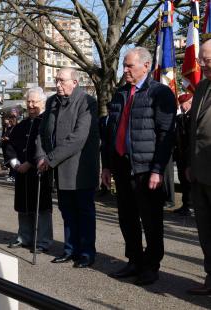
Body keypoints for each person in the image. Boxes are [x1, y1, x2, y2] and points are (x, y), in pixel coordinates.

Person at [101, 47, 176, 285]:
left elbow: (166, 134)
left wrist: (157, 169)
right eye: (124, 65)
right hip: (122, 167)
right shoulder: (120, 93)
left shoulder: (160, 93)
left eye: (129, 66)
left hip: (146, 170)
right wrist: (106, 165)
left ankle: (151, 266)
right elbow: (110, 131)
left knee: (151, 221)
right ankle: (133, 260)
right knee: (127, 218)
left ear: (145, 66)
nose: (124, 70)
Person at [37, 67, 100, 268]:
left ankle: (87, 252)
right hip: (59, 169)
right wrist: (40, 156)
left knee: (84, 212)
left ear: (75, 82)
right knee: (67, 211)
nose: (57, 84)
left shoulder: (87, 102)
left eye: (62, 81)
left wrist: (50, 159)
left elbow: (78, 138)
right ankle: (70, 249)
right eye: (56, 80)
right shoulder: (52, 102)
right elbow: (42, 133)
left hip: (80, 169)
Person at [4, 87, 53, 253]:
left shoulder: (47, 122)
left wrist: (30, 163)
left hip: (39, 170)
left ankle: (43, 240)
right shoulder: (22, 125)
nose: (31, 105)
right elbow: (10, 146)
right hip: (21, 171)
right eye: (29, 101)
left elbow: (47, 147)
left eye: (34, 102)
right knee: (23, 206)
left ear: (43, 103)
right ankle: (24, 236)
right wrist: (15, 163)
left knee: (41, 207)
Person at [185, 39, 211, 295]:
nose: (201, 64)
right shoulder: (202, 87)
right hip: (200, 172)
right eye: (201, 59)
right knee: (205, 231)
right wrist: (190, 164)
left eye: (207, 60)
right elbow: (194, 130)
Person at [173, 93, 193, 216]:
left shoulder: (193, 117)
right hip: (181, 155)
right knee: (183, 180)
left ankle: (190, 205)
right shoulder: (181, 117)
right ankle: (186, 204)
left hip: (189, 155)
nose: (181, 106)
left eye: (182, 104)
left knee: (188, 180)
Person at [1, 114, 17, 182]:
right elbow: (5, 134)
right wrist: (4, 138)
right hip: (7, 147)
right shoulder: (8, 128)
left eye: (10, 121)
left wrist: (8, 138)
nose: (9, 122)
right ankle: (11, 175)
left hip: (13, 148)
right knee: (10, 162)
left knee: (13, 162)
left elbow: (15, 138)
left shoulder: (16, 128)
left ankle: (13, 176)